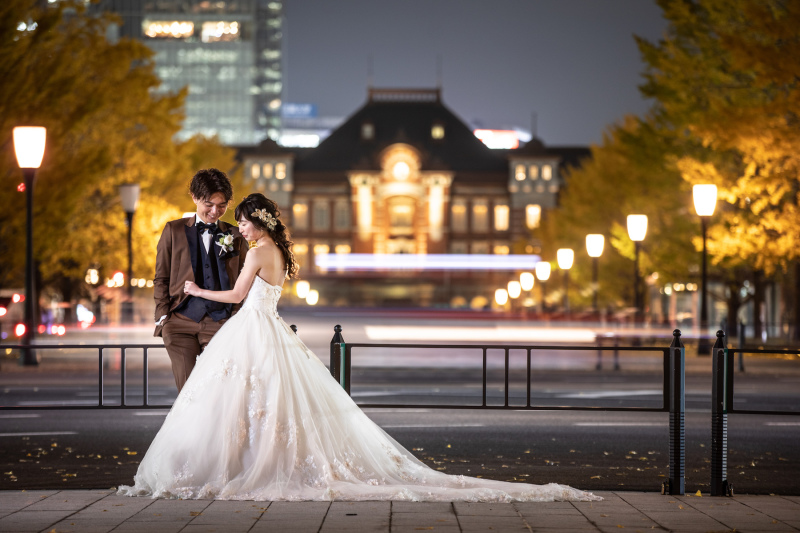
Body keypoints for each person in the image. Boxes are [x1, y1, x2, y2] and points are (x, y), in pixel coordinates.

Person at [118, 193, 600, 502]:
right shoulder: (278, 251)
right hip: (268, 330)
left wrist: (197, 289)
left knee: (242, 400)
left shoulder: (259, 251)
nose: (238, 229)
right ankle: (251, 460)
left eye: (243, 222)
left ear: (258, 224)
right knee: (269, 401)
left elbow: (238, 295)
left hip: (252, 327)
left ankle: (238, 464)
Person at [153, 168, 250, 392]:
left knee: (217, 391)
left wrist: (235, 317)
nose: (215, 212)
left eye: (222, 205)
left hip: (221, 322)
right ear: (195, 197)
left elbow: (246, 281)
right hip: (180, 322)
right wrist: (163, 316)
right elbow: (161, 277)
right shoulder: (173, 230)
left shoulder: (236, 235)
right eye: (209, 204)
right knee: (188, 392)